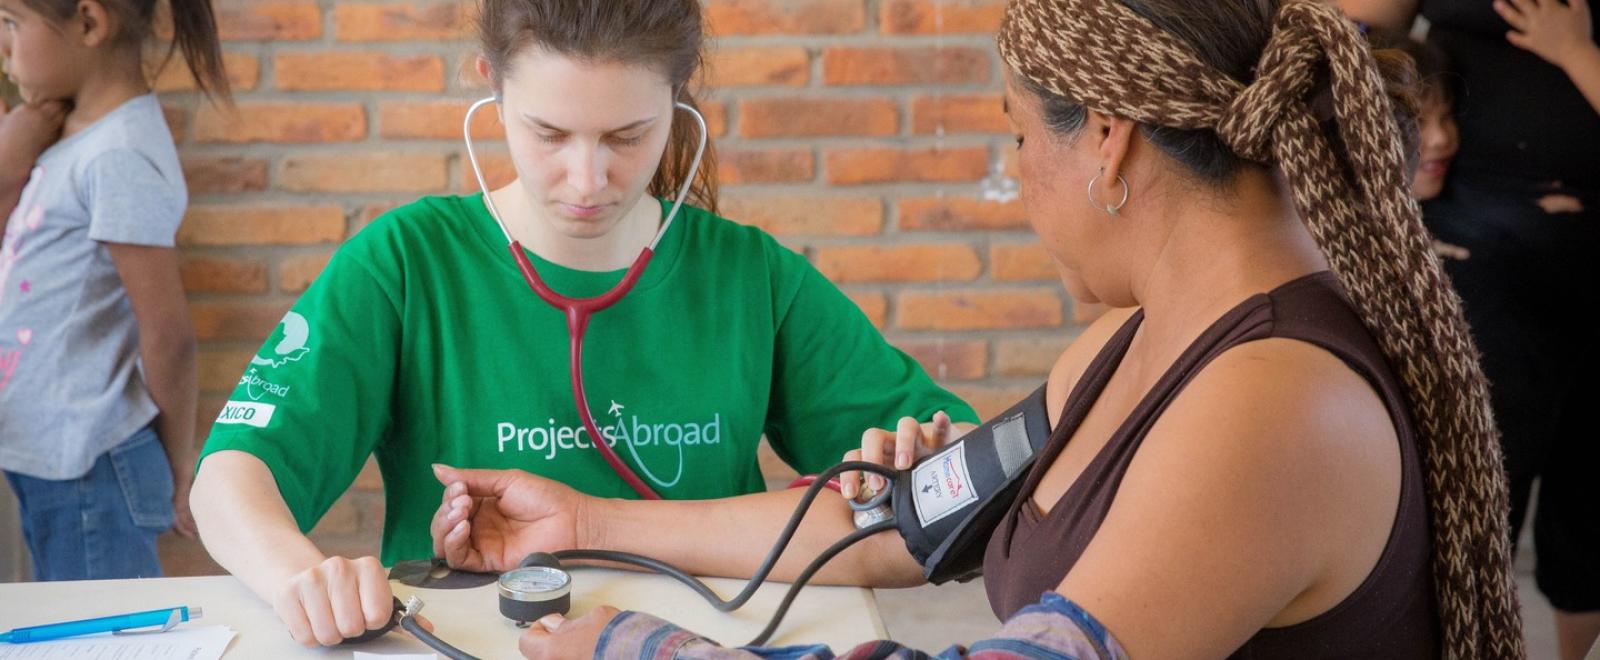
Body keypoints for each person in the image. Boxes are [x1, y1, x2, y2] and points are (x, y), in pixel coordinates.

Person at [427, 0, 1529, 657]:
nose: (1014, 177)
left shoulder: (1278, 405)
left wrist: (632, 645)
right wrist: (581, 523)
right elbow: (907, 525)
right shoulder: (1132, 345)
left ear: (1104, 142)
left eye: (1013, 138)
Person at [187, 0, 976, 649]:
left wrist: (921, 455)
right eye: (549, 134)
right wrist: (300, 576)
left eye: (628, 137)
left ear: (679, 100)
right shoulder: (403, 263)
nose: (589, 180)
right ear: (489, 86)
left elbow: (964, 478)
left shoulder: (751, 277)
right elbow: (232, 475)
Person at [1341, 1, 1600, 657]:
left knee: (1590, 504)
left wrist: (1575, 51)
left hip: (1588, 254)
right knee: (1475, 490)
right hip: (1471, 249)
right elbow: (1351, 23)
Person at [0, 0, 218, 580]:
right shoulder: (68, 135)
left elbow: (167, 334)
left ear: (90, 23)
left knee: (104, 638)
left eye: (12, 22)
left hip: (92, 464)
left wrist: (179, 467)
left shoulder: (119, 154)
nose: (4, 45)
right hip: (55, 457)